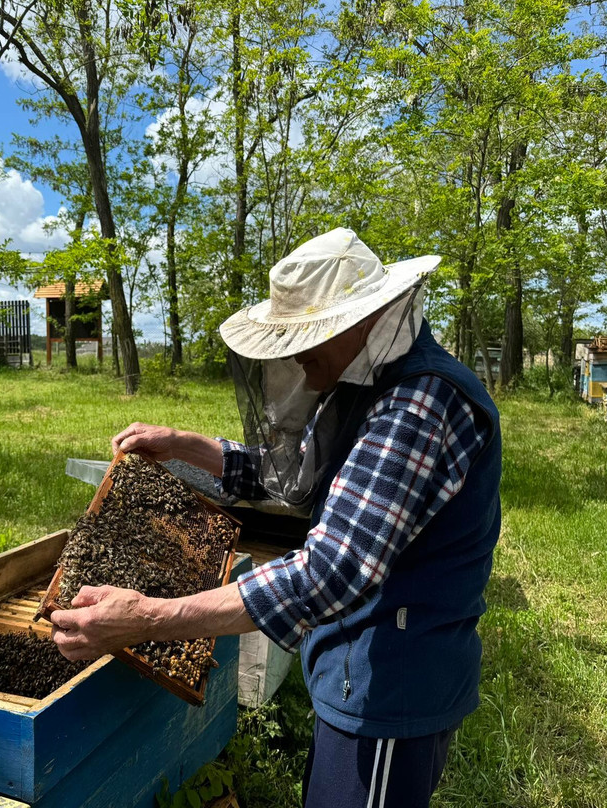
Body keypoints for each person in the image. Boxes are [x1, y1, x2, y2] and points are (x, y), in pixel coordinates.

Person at [50, 228, 501, 808]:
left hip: (391, 687)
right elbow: (295, 478)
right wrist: (186, 444)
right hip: (353, 667)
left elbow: (328, 572)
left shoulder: (416, 405)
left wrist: (148, 617)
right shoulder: (368, 381)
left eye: (305, 344)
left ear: (357, 323)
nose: (299, 364)